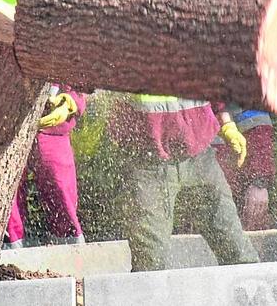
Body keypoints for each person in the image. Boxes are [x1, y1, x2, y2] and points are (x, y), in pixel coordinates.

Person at [0, 0, 88, 248]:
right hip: (6, 122)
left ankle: (72, 268)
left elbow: (79, 65)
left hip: (51, 122)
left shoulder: (56, 6)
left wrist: (72, 102)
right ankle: (11, 266)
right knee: (6, 201)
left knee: (61, 192)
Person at [108, 93, 260, 270]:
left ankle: (250, 291)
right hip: (147, 164)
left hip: (200, 156)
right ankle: (150, 295)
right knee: (150, 259)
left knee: (235, 245)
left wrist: (227, 125)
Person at [213, 108, 275, 231]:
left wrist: (259, 183)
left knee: (254, 223)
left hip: (239, 194)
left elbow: (258, 124)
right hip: (202, 190)